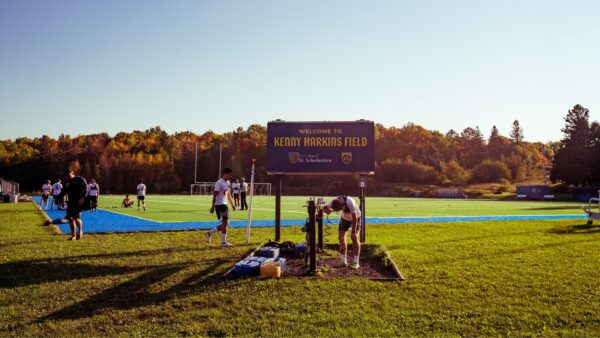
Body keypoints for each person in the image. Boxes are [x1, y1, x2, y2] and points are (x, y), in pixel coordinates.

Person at [323, 195, 362, 269]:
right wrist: (327, 211)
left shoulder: (350, 202)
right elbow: (325, 208)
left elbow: (354, 218)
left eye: (339, 210)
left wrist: (353, 231)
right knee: (341, 238)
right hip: (344, 218)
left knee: (354, 238)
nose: (338, 211)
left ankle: (356, 262)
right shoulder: (333, 201)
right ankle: (343, 261)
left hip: (356, 218)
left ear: (343, 205)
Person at [205, 168, 237, 247]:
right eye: (230, 174)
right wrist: (212, 206)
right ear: (225, 174)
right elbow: (215, 194)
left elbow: (228, 194)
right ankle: (223, 242)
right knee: (225, 222)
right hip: (219, 204)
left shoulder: (228, 182)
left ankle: (209, 233)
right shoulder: (219, 183)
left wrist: (232, 204)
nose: (231, 176)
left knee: (226, 223)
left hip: (224, 204)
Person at [58, 169, 88, 241]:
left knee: (76, 218)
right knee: (70, 219)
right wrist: (59, 200)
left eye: (68, 175)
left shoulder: (80, 179)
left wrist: (83, 198)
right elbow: (63, 192)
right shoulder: (67, 183)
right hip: (70, 202)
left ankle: (80, 231)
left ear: (72, 173)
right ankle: (73, 235)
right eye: (66, 176)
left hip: (78, 202)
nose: (67, 177)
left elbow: (86, 189)